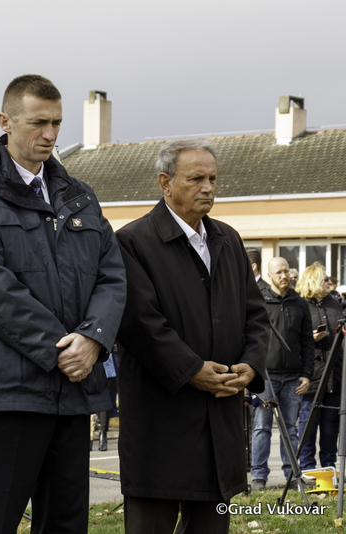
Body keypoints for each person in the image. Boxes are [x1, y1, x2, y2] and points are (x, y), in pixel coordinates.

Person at [0, 74, 126, 534]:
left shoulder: (80, 196)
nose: (49, 134)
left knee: (67, 521)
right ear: (5, 122)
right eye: (38, 123)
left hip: (72, 391)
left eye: (56, 123)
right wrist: (61, 348)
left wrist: (93, 339)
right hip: (6, 392)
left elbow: (112, 276)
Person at [115, 139, 269, 533]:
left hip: (220, 418)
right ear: (165, 183)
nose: (208, 188)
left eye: (213, 179)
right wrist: (191, 370)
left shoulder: (228, 240)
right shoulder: (133, 241)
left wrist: (251, 365)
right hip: (161, 424)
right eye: (196, 179)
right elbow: (140, 324)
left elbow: (255, 315)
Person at [250, 256, 314, 490]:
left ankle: (292, 476)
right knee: (262, 427)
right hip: (265, 376)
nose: (284, 275)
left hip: (293, 377)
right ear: (269, 276)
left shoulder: (300, 303)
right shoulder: (258, 301)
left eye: (286, 271)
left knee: (291, 428)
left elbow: (307, 342)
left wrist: (307, 374)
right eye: (278, 272)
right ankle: (258, 477)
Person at [297, 264, 345, 470]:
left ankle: (329, 466)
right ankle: (307, 468)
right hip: (312, 374)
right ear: (315, 281)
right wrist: (310, 337)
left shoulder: (335, 303)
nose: (329, 282)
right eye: (325, 279)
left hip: (335, 374)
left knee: (330, 425)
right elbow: (292, 338)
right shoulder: (300, 305)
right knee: (308, 423)